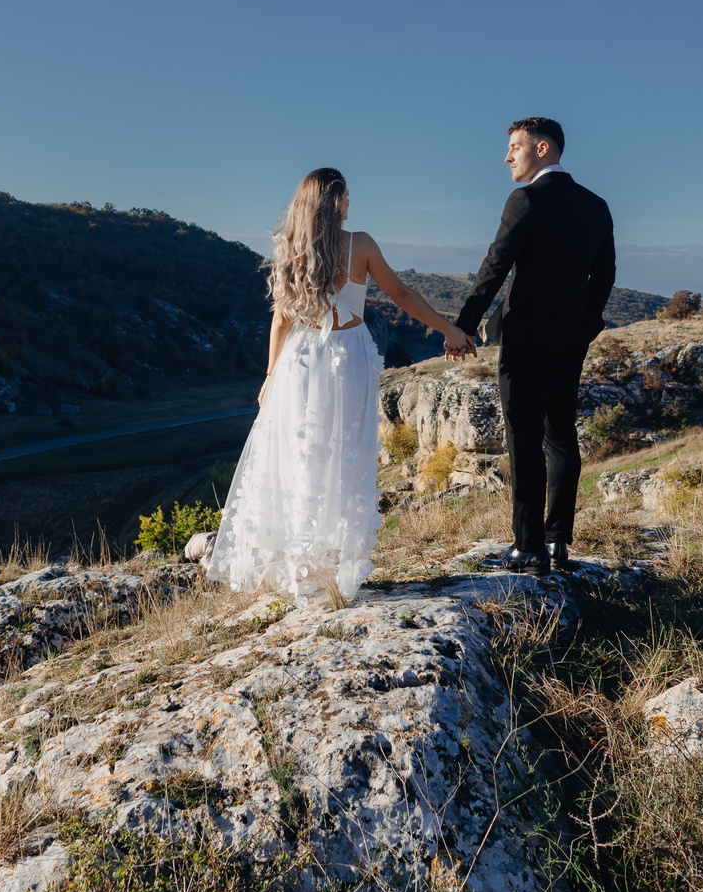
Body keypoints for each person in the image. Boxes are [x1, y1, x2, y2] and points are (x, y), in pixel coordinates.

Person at [203, 168, 476, 605]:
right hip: (346, 356)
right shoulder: (360, 244)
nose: (351, 203)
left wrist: (271, 375)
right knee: (340, 455)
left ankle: (303, 570)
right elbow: (402, 295)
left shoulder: (291, 247)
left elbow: (280, 320)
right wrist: (449, 329)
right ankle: (328, 567)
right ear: (335, 201)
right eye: (347, 196)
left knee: (299, 456)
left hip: (299, 358)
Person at [454, 117, 615, 575]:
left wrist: (465, 325)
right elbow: (604, 276)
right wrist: (587, 324)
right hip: (572, 336)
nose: (507, 157)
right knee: (561, 434)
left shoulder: (525, 198)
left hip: (525, 337)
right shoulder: (596, 205)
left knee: (523, 438)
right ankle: (558, 541)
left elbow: (495, 265)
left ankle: (528, 548)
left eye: (514, 147)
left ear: (542, 149)